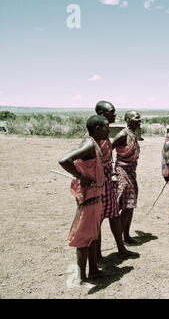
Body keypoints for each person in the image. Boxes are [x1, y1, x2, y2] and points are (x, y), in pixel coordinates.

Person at [58, 115, 110, 282]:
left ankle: (94, 269)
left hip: (95, 198)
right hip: (89, 198)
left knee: (92, 235)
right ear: (96, 128)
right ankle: (82, 275)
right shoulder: (88, 144)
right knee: (83, 237)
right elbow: (64, 160)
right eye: (106, 127)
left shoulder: (93, 144)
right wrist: (80, 176)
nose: (109, 130)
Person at [94, 101, 138, 261]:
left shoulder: (104, 135)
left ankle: (121, 248)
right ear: (101, 113)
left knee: (114, 215)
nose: (114, 115)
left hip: (109, 181)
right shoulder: (93, 137)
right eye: (111, 112)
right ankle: (96, 256)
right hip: (101, 183)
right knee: (97, 220)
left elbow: (107, 157)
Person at [112, 111, 141, 244]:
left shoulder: (134, 134)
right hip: (122, 171)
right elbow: (108, 150)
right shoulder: (123, 134)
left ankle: (126, 235)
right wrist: (112, 172)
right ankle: (120, 237)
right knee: (120, 204)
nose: (139, 120)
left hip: (131, 172)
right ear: (128, 120)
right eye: (136, 118)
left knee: (129, 205)